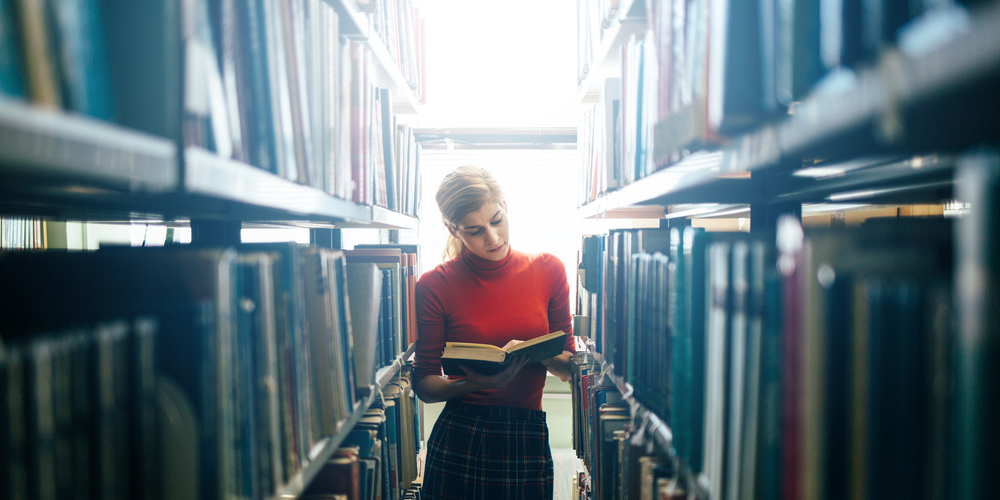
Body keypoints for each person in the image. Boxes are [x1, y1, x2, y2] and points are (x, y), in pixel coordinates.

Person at [412, 165, 576, 500]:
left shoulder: (549, 269)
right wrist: (472, 384)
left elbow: (570, 369)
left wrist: (537, 353)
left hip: (526, 431)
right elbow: (424, 384)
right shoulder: (434, 285)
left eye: (497, 220)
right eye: (474, 230)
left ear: (505, 207)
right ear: (452, 229)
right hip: (462, 432)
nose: (493, 237)